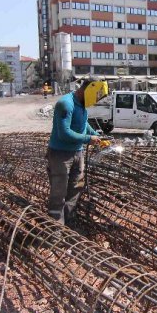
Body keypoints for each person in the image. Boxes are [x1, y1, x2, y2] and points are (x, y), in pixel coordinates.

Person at [46, 80, 101, 225]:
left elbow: (83, 123)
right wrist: (89, 139)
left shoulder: (82, 104)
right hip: (61, 155)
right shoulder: (66, 104)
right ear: (86, 90)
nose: (95, 99)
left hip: (78, 154)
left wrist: (96, 135)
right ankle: (55, 232)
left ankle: (68, 227)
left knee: (75, 191)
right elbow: (64, 133)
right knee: (59, 195)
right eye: (94, 95)